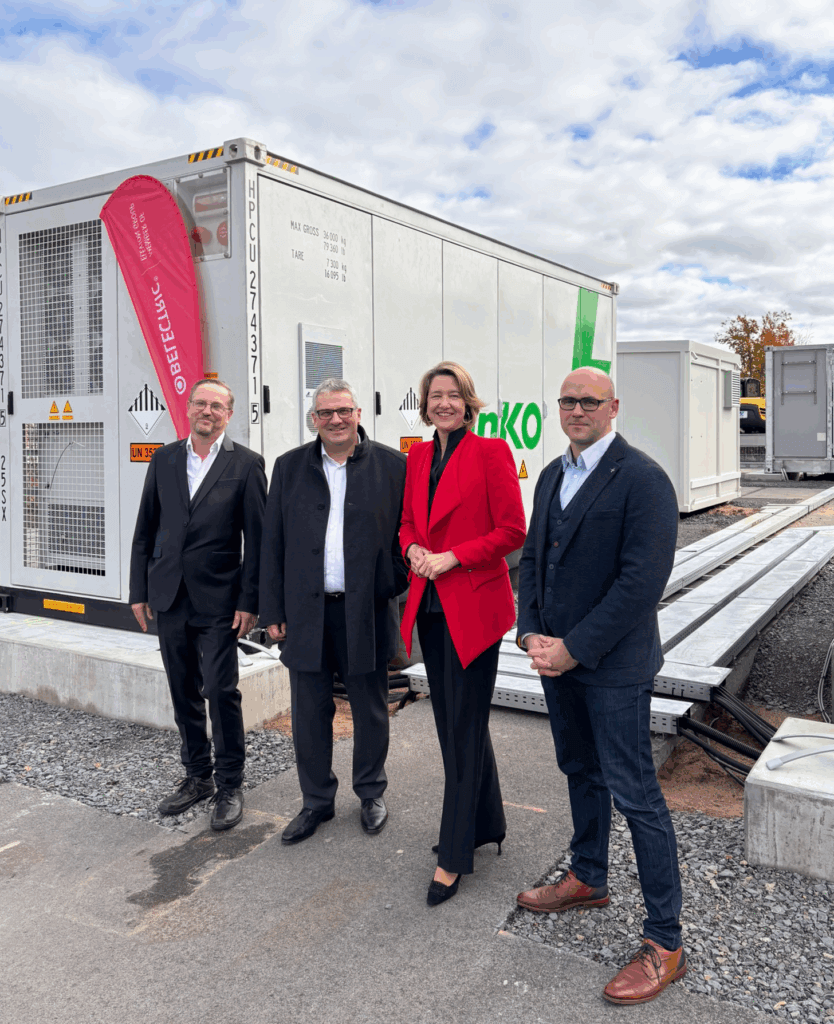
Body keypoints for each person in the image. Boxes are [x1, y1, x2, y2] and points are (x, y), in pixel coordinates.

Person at [515, 366, 684, 1005]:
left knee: (635, 792)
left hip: (611, 665)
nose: (577, 409)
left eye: (590, 401)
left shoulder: (642, 479)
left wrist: (573, 648)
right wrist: (531, 631)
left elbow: (641, 583)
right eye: (568, 400)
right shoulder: (555, 475)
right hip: (553, 659)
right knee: (579, 771)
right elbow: (532, 559)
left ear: (613, 407)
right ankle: (588, 875)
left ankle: (665, 942)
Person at [259, 378, 408, 844]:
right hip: (306, 612)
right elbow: (272, 544)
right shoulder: (288, 467)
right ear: (314, 420)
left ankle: (370, 792)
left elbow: (408, 536)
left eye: (344, 410)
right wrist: (272, 610)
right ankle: (316, 802)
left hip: (365, 610)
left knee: (369, 707)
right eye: (325, 413)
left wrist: (392, 584)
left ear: (359, 413)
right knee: (309, 710)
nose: (336, 420)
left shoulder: (392, 466)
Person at [400, 361, 526, 906]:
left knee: (464, 726)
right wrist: (412, 550)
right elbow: (407, 521)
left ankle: (455, 855)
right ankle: (485, 822)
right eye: (435, 396)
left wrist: (451, 556)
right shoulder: (419, 455)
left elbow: (512, 530)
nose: (444, 404)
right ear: (425, 404)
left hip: (471, 606)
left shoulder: (491, 452)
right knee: (454, 721)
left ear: (468, 402)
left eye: (453, 395)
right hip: (429, 602)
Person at [129, 378, 267, 831]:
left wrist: (251, 601)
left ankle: (230, 783)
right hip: (169, 596)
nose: (207, 411)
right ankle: (197, 777)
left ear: (229, 413)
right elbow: (145, 529)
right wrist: (139, 590)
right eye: (200, 403)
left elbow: (258, 541)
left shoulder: (246, 465)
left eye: (217, 406)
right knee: (182, 690)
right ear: (188, 409)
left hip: (220, 601)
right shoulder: (165, 458)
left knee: (220, 690)